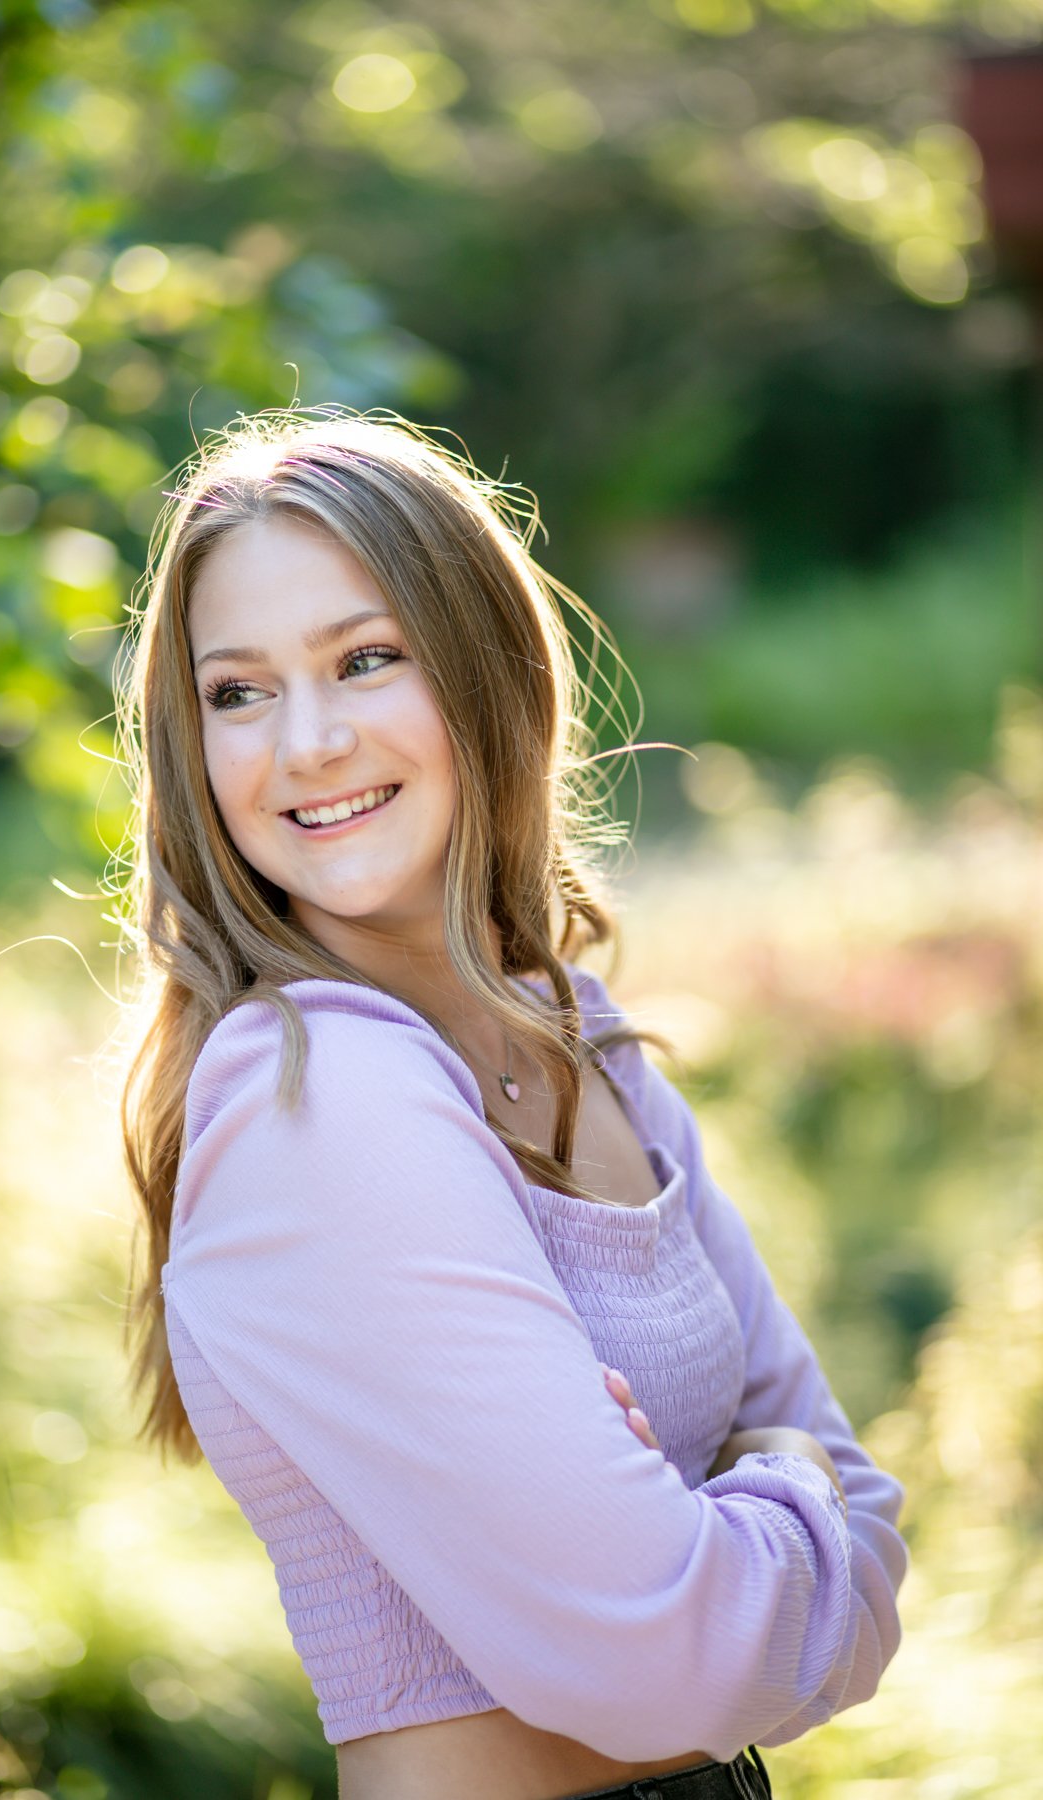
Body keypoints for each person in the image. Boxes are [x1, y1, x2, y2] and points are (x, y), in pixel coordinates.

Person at [119, 409, 907, 1800]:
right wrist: (779, 1489)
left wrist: (716, 1526)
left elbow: (876, 1526)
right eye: (236, 692)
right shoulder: (317, 1091)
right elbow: (680, 1662)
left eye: (367, 661)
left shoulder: (584, 1037)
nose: (305, 742)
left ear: (487, 673)